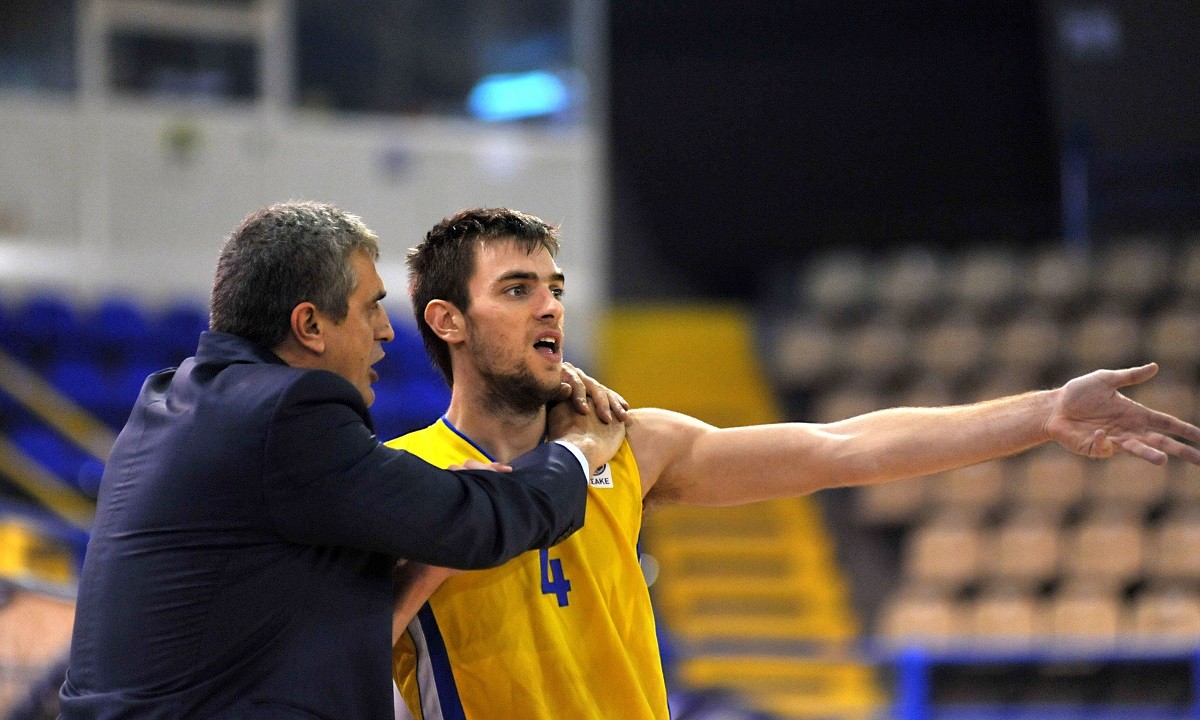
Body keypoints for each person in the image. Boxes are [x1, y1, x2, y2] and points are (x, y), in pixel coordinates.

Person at [388, 207, 1200, 720]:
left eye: (556, 287)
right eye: (518, 289)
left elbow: (841, 448)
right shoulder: (395, 484)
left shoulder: (633, 444)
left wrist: (1045, 413)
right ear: (448, 321)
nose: (550, 306)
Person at [59, 201, 626, 720]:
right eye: (371, 307)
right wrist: (578, 451)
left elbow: (304, 639)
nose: (386, 330)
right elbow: (477, 523)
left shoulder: (174, 400)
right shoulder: (286, 413)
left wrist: (427, 561)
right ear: (309, 326)